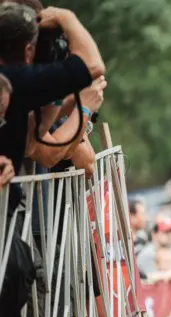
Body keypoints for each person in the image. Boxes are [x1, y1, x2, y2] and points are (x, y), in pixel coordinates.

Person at [0, 2, 104, 215]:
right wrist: (83, 109)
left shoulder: (18, 82)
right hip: (29, 221)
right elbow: (50, 152)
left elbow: (32, 138)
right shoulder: (14, 79)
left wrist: (59, 98)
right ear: (28, 49)